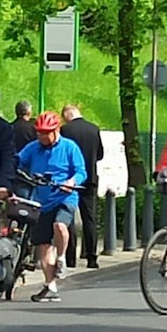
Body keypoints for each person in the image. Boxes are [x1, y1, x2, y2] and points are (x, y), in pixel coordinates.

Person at [18, 113, 88, 302]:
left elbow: (81, 171)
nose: (42, 136)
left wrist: (70, 181)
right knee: (43, 245)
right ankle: (50, 286)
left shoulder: (69, 147)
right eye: (39, 133)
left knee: (60, 225)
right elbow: (18, 162)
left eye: (46, 133)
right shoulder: (33, 148)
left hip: (65, 197)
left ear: (56, 130)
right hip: (43, 200)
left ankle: (62, 257)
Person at [60, 103, 106, 269]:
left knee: (68, 217)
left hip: (69, 180)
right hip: (90, 179)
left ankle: (70, 258)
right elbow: (100, 154)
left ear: (67, 114)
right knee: (90, 219)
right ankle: (92, 258)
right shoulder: (93, 129)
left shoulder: (66, 130)